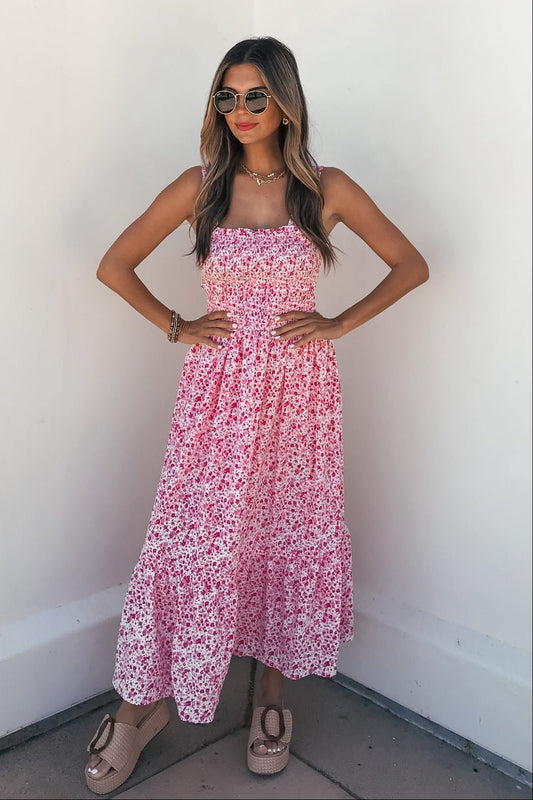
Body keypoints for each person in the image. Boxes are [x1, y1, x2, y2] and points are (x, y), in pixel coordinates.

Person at [84, 35, 429, 794]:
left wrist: (338, 323)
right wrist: (176, 324)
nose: (239, 111)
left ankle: (270, 694)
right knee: (189, 537)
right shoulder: (199, 185)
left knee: (285, 529)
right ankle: (140, 703)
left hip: (299, 393)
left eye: (255, 96)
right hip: (215, 394)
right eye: (226, 95)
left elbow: (411, 264)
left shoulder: (326, 187)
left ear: (285, 102)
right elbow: (114, 264)